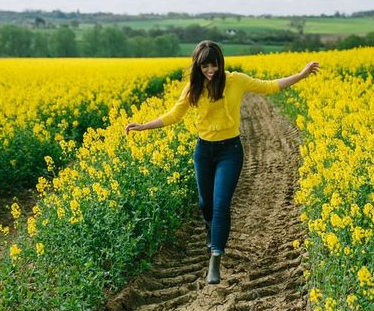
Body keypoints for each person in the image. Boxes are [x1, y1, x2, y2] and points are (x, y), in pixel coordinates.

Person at [125, 40, 320, 285]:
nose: (210, 70)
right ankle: (213, 230)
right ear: (198, 66)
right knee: (205, 203)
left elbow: (269, 86)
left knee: (220, 204)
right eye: (205, 66)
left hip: (230, 151)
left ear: (220, 64)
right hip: (204, 151)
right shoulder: (193, 88)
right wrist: (144, 126)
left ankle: (215, 258)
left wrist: (301, 75)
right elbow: (174, 114)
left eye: (214, 65)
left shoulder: (235, 80)